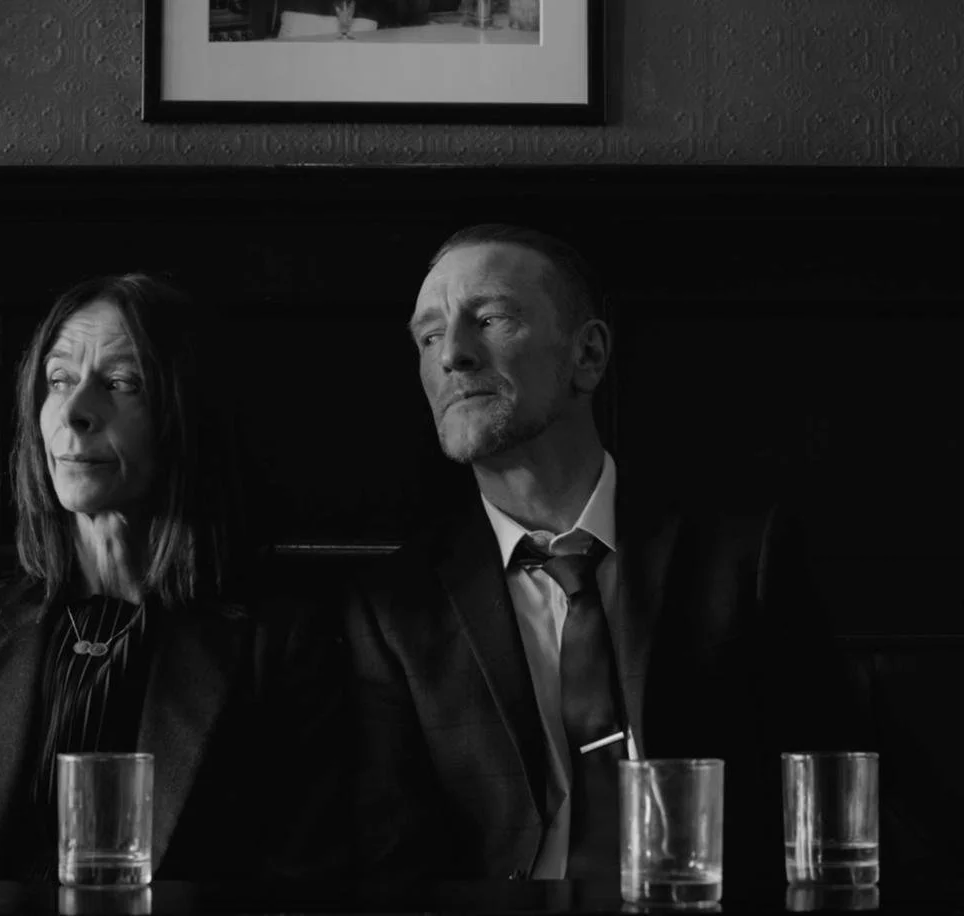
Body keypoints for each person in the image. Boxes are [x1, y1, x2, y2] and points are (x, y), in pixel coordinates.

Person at [342, 224, 872, 887]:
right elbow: (390, 858)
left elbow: (829, 802)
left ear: (587, 355)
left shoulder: (743, 557)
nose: (452, 354)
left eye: (491, 319)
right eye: (428, 336)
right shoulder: (393, 605)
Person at [0, 273, 344, 882]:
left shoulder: (278, 645)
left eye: (121, 383)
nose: (73, 413)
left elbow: (304, 891)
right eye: (58, 380)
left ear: (186, 418)